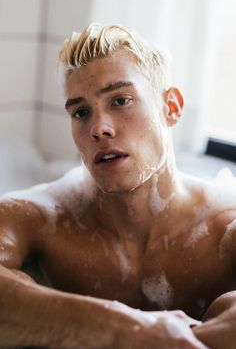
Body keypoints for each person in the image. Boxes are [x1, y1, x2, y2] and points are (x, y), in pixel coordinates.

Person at [0, 24, 236, 349]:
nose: (99, 128)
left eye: (121, 100)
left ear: (172, 107)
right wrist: (122, 330)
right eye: (81, 112)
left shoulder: (225, 230)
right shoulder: (38, 218)